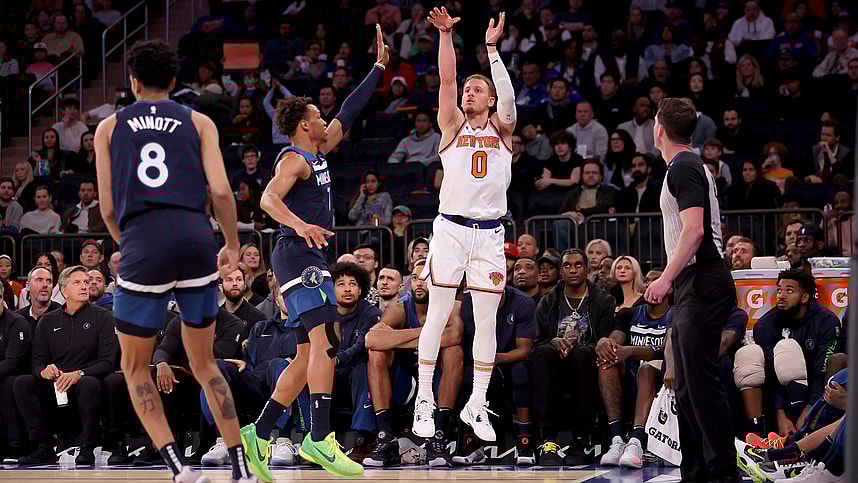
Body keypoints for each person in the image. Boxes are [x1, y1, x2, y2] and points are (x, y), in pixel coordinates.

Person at [92, 40, 252, 483]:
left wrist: (136, 243)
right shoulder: (199, 121)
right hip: (195, 235)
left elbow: (106, 207)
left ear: (133, 82)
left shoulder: (109, 128)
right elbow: (221, 192)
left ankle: (179, 469)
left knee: (133, 365)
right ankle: (240, 468)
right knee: (204, 363)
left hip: (144, 237)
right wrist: (233, 244)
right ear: (176, 82)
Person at [240, 25, 391, 480]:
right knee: (327, 341)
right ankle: (320, 437)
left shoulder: (321, 149)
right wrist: (300, 223)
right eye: (317, 115)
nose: (326, 119)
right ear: (304, 124)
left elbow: (350, 109)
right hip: (295, 254)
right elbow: (267, 200)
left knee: (309, 355)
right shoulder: (294, 159)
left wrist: (378, 68)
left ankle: (259, 434)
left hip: (309, 256)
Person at [412, 8, 516, 445]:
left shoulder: (503, 129)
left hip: (491, 235)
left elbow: (508, 101)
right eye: (469, 89)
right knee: (437, 314)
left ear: (489, 99)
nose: (470, 93)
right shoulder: (451, 125)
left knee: (486, 322)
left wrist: (492, 50)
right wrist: (446, 36)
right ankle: (424, 400)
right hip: (451, 231)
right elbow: (448, 81)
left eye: (479, 90)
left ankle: (477, 401)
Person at [645, 97, 739, 482]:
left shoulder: (682, 166)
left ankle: (722, 472)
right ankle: (696, 470)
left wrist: (665, 277)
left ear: (659, 130)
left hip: (702, 278)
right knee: (684, 384)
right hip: (693, 281)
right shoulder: (686, 165)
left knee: (700, 383)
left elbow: (695, 230)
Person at [363, 259, 464, 468]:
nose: (419, 283)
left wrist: (399, 338)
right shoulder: (399, 309)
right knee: (376, 353)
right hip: (407, 380)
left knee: (454, 351)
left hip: (439, 378)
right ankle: (385, 437)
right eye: (416, 278)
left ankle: (439, 437)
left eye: (426, 278)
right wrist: (430, 333)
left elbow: (454, 336)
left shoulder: (452, 306)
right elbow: (371, 340)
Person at [14, 266, 118, 465]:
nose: (84, 286)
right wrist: (44, 371)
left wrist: (79, 373)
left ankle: (88, 447)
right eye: (77, 283)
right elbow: (37, 360)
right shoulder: (47, 321)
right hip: (56, 382)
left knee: (89, 384)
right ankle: (41, 446)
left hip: (87, 378)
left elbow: (107, 362)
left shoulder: (103, 317)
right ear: (64, 291)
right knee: (22, 383)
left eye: (86, 282)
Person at [531, 249, 616, 465]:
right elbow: (537, 340)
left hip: (585, 361)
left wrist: (580, 344)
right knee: (543, 353)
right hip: (554, 363)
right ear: (560, 271)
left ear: (587, 269)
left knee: (584, 352)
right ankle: (548, 439)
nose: (573, 270)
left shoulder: (603, 300)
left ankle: (582, 437)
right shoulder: (548, 301)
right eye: (567, 266)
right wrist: (553, 340)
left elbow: (604, 339)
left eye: (578, 265)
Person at [732, 270, 839, 443]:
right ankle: (756, 438)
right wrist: (780, 413)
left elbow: (822, 369)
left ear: (805, 298)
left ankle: (799, 433)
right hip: (775, 397)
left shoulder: (827, 321)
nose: (781, 296)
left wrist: (809, 409)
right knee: (748, 355)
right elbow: (773, 374)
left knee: (789, 350)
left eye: (789, 291)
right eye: (779, 290)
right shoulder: (766, 324)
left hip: (815, 392)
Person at [595, 270, 673, 468]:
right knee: (607, 362)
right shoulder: (628, 313)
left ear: (669, 287)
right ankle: (618, 440)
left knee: (647, 369)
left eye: (656, 281)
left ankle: (637, 440)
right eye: (646, 281)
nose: (649, 285)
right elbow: (616, 341)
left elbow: (662, 352)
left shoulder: (675, 314)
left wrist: (629, 351)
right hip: (630, 379)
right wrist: (606, 344)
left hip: (661, 379)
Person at [457, 284, 537, 466]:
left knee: (520, 373)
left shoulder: (523, 301)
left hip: (510, 361)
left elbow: (524, 351)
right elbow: (466, 342)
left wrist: (494, 358)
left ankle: (525, 441)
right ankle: (471, 444)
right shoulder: (469, 302)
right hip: (479, 362)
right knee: (468, 374)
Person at [0, 281, 31, 463]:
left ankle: (15, 445)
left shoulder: (16, 323)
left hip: (16, 376)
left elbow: (12, 362)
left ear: (2, 298)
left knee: (7, 385)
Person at [16, 266, 61, 332]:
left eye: (49, 281)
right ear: (28, 286)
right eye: (39, 280)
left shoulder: (63, 315)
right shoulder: (17, 318)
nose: (45, 284)